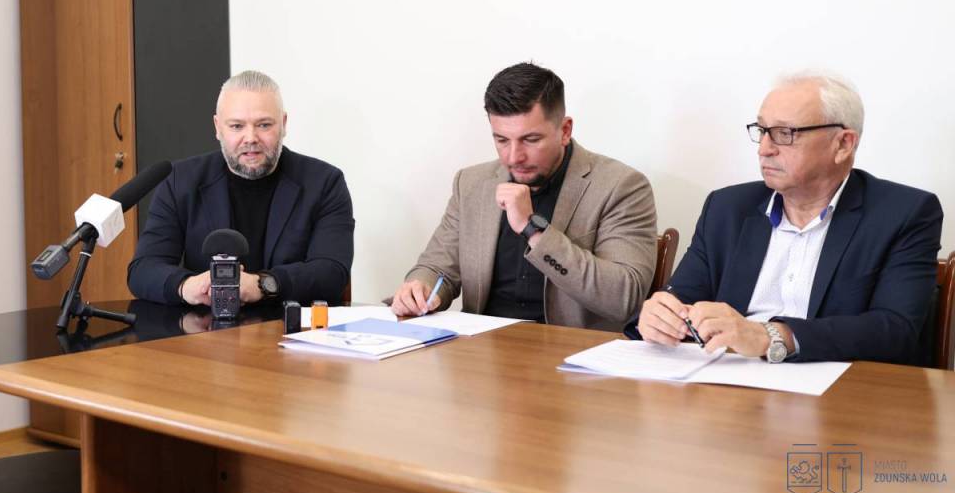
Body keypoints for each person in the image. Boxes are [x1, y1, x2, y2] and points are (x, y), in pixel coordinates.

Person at [626, 73, 942, 364]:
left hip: (841, 392)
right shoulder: (727, 208)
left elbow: (896, 330)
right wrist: (660, 315)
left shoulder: (904, 213)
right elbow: (682, 297)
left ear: (843, 144)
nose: (764, 149)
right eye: (762, 131)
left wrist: (771, 336)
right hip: (727, 384)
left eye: (784, 133)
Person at [390, 62, 657, 330]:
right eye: (502, 140)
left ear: (565, 131)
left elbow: (625, 298)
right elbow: (436, 268)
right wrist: (420, 288)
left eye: (530, 140)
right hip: (481, 347)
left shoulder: (621, 186)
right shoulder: (471, 184)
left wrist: (533, 230)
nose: (513, 157)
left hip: (570, 347)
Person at [128, 71, 354, 306]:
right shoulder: (179, 181)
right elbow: (143, 269)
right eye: (237, 126)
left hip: (289, 323)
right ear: (218, 127)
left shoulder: (325, 183)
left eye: (264, 125)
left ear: (283, 124)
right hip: (206, 324)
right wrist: (186, 286)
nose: (250, 138)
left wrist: (263, 284)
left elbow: (331, 272)